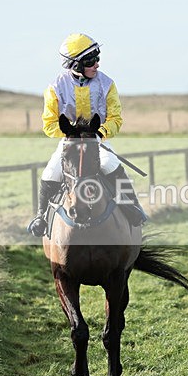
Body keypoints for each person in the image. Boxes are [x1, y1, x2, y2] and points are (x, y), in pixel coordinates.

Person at [27, 33, 146, 237]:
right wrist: (72, 133)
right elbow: (49, 124)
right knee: (50, 173)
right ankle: (40, 217)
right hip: (70, 140)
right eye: (91, 61)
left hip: (96, 140)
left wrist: (99, 132)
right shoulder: (55, 87)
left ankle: (133, 207)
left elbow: (116, 118)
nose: (97, 64)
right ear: (75, 65)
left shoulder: (107, 84)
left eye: (97, 59)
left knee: (111, 164)